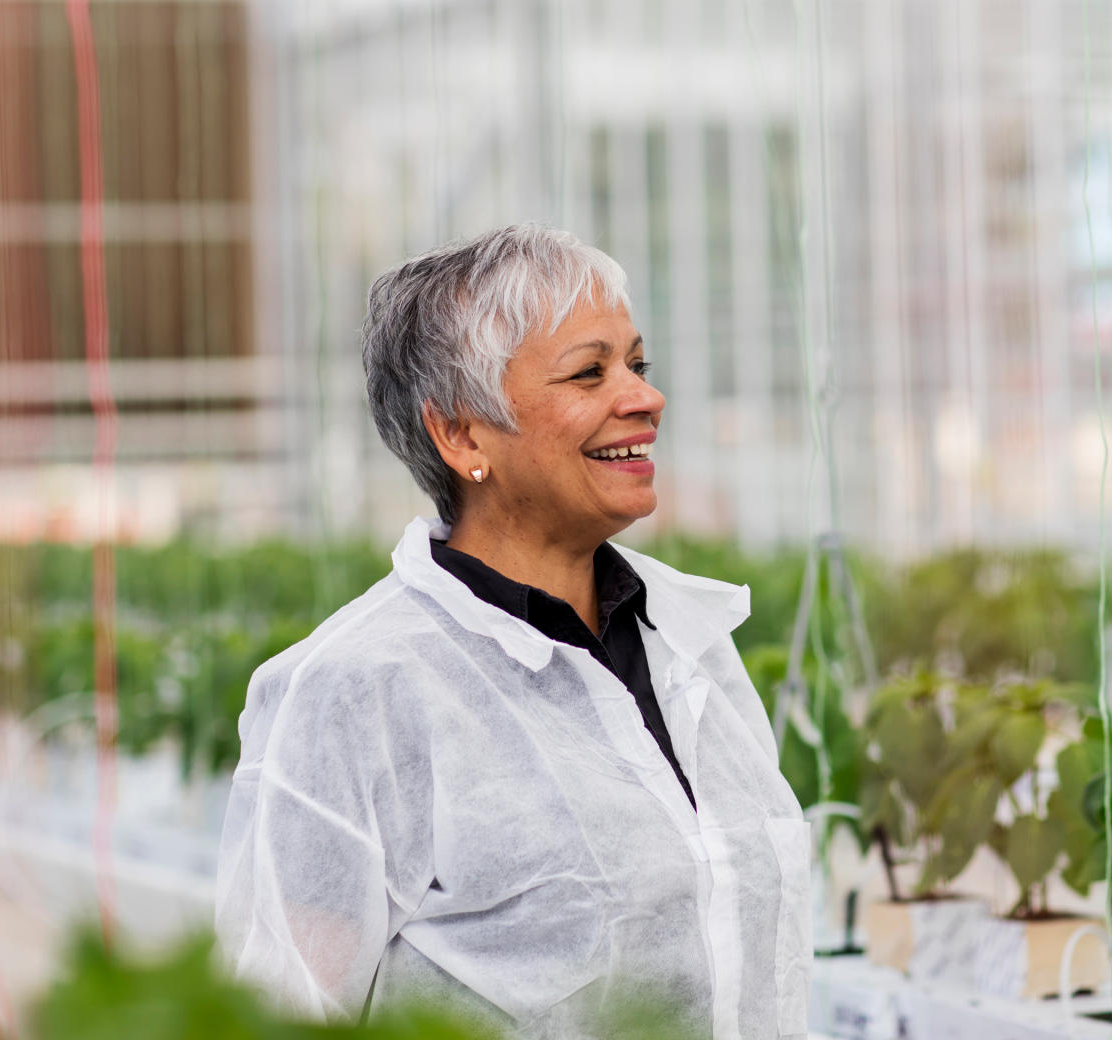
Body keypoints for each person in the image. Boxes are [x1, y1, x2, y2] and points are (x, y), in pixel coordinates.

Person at [214, 225, 811, 1039]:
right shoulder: (355, 689)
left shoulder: (689, 638)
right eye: (589, 372)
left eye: (637, 364)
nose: (643, 396)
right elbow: (278, 1010)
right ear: (461, 434)